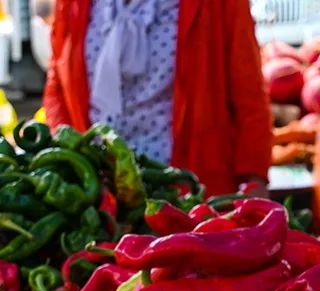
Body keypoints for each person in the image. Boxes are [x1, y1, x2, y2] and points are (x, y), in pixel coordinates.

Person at [43, 0, 272, 197]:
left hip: (186, 194)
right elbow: (58, 86)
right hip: (101, 197)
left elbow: (249, 93)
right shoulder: (72, 3)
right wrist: (71, 159)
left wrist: (254, 179)